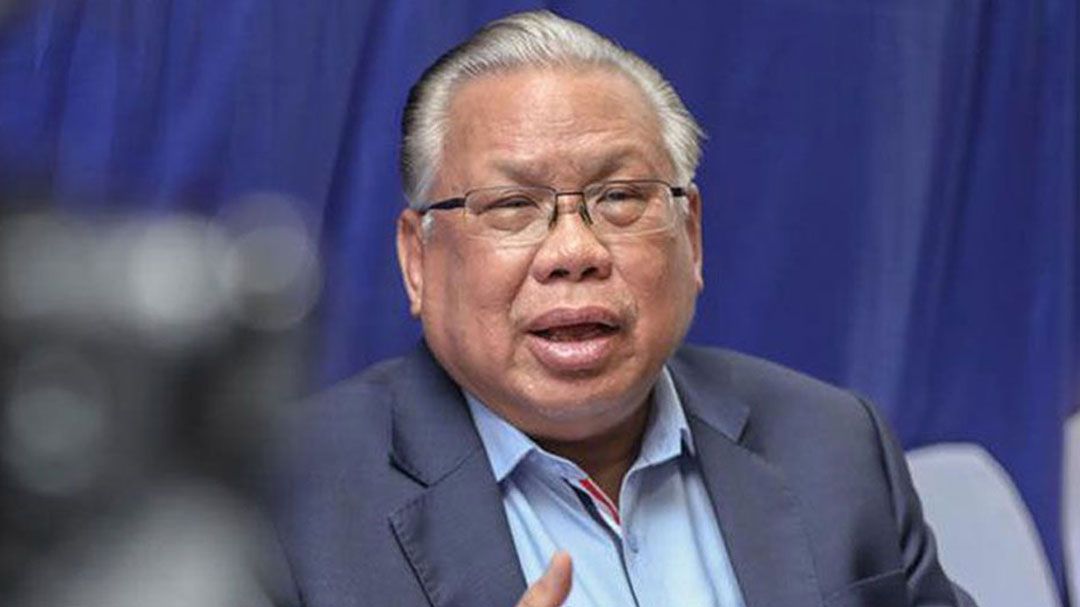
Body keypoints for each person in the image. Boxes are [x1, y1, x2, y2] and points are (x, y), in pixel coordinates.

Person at [272, 10, 976, 607]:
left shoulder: (832, 444)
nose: (574, 251)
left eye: (619, 198)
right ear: (417, 261)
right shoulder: (279, 500)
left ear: (690, 236)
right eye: (512, 205)